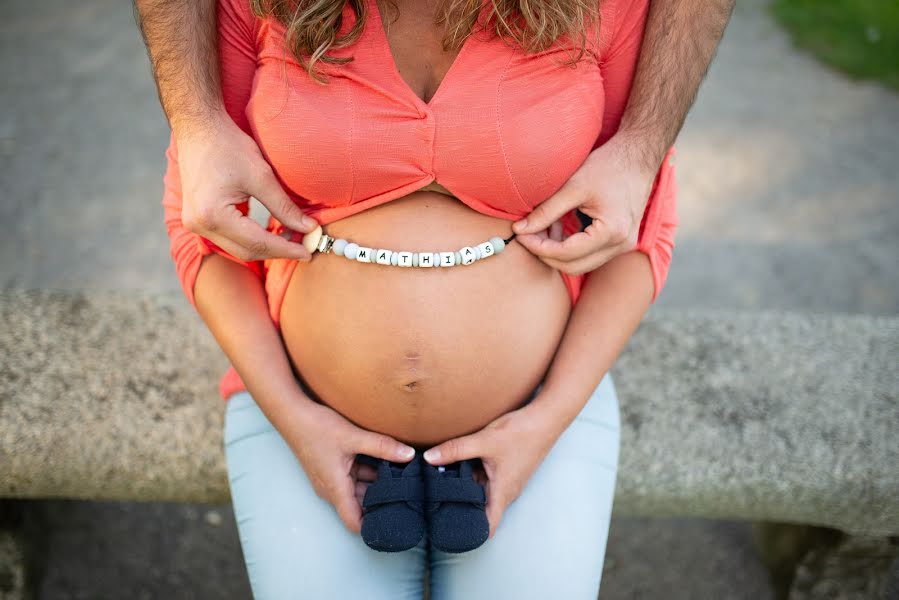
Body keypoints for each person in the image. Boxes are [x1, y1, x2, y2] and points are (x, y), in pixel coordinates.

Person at [134, 0, 733, 597]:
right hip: (293, 405)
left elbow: (641, 231)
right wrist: (295, 418)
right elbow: (204, 233)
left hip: (544, 408)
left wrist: (543, 423)